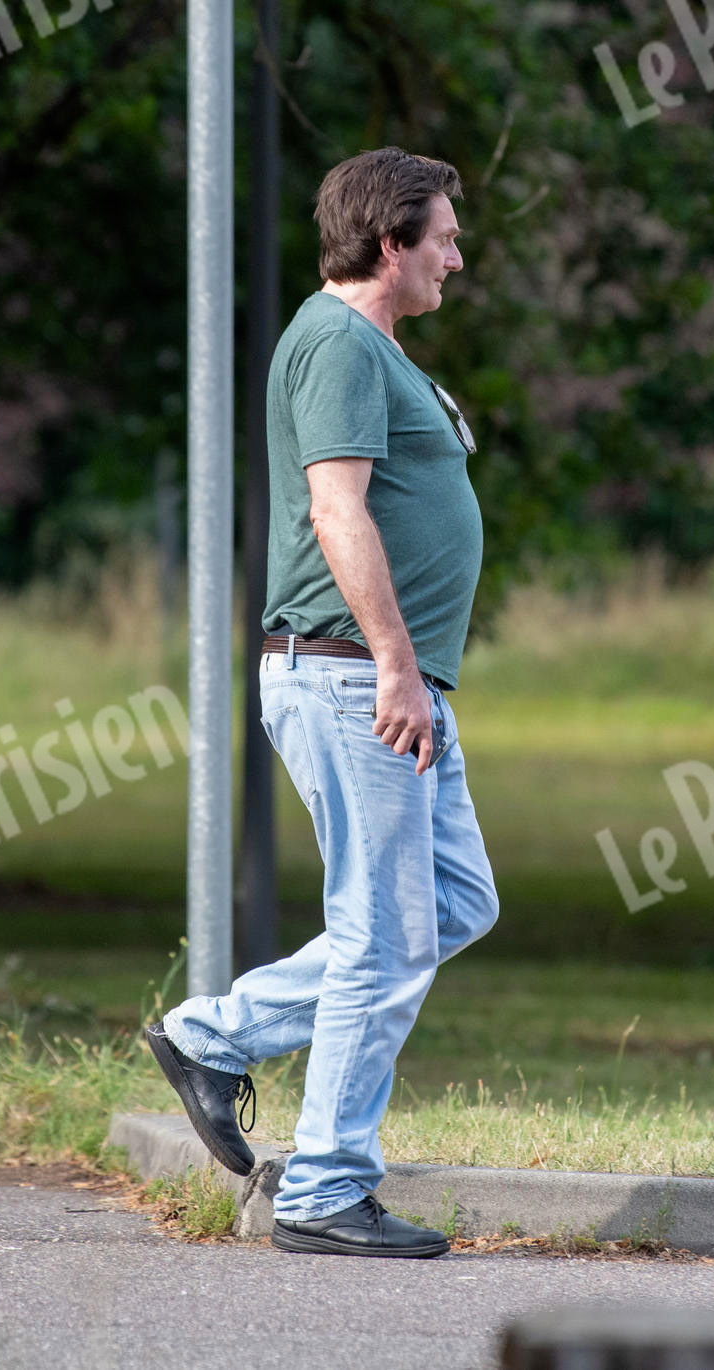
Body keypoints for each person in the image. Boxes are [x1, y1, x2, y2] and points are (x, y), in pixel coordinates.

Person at [144, 146, 498, 1259]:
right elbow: (337, 513)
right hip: (354, 674)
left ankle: (215, 1035)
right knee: (387, 935)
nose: (456, 251)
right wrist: (394, 663)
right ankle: (324, 1190)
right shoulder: (338, 343)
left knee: (449, 903)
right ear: (389, 242)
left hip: (381, 678)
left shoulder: (371, 346)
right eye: (442, 234)